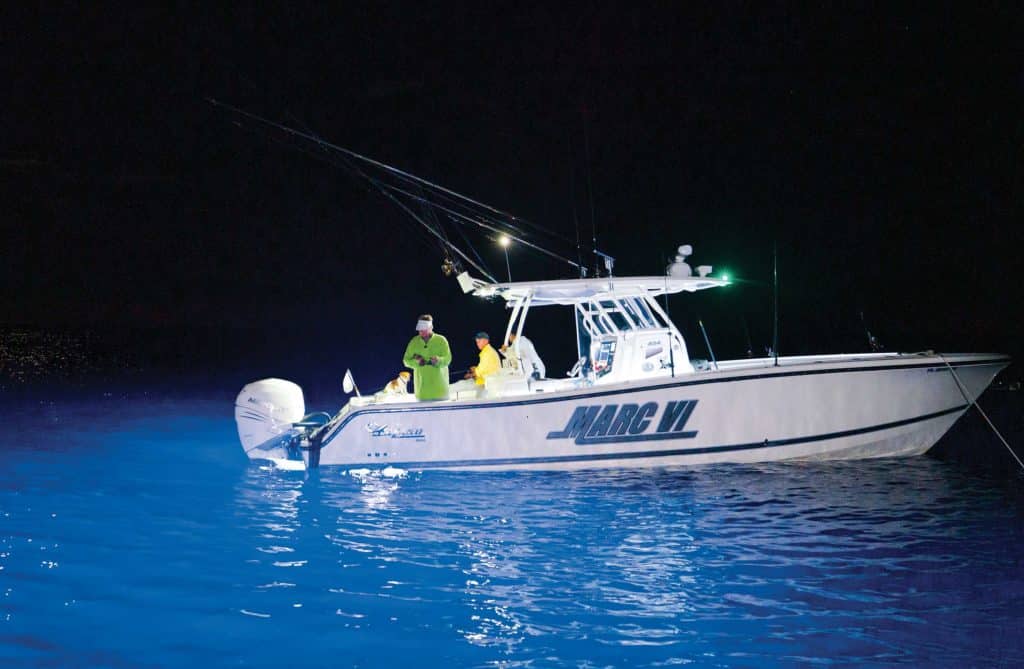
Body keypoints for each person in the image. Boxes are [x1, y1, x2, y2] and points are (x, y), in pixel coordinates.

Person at [402, 314, 452, 400]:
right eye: (420, 330)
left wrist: (438, 360)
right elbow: (406, 361)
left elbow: (448, 359)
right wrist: (416, 362)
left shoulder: (441, 340)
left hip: (440, 391)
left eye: (424, 330)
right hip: (422, 393)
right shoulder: (414, 342)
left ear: (431, 327)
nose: (421, 332)